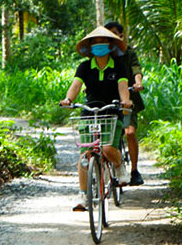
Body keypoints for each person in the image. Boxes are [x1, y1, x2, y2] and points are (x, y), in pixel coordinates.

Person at [60, 26, 133, 212]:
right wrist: (69, 99)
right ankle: (84, 196)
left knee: (108, 148)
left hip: (110, 112)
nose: (99, 45)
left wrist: (125, 102)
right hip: (89, 112)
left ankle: (119, 166)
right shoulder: (85, 67)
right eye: (95, 42)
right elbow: (76, 86)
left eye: (103, 41)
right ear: (90, 46)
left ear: (110, 45)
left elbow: (123, 87)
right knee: (85, 155)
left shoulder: (119, 66)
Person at [104, 21, 145, 186]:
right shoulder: (104, 53)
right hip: (107, 98)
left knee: (130, 133)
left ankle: (134, 171)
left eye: (115, 33)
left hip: (127, 100)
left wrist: (138, 83)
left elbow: (136, 70)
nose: (112, 37)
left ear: (121, 35)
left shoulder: (128, 53)